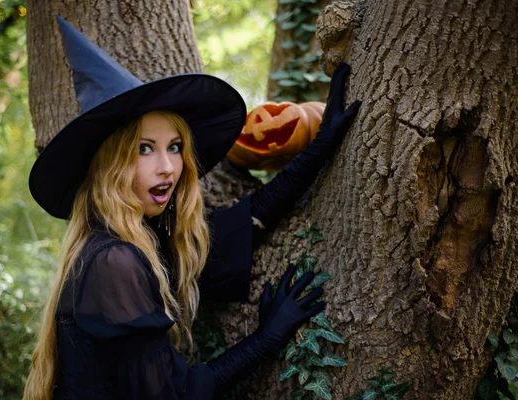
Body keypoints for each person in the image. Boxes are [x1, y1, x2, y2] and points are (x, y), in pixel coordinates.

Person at [23, 16, 361, 400]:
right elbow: (176, 395)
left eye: (175, 147)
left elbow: (245, 221)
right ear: (109, 165)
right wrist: (266, 338)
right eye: (143, 149)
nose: (167, 166)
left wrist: (321, 145)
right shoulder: (113, 263)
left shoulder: (140, 244)